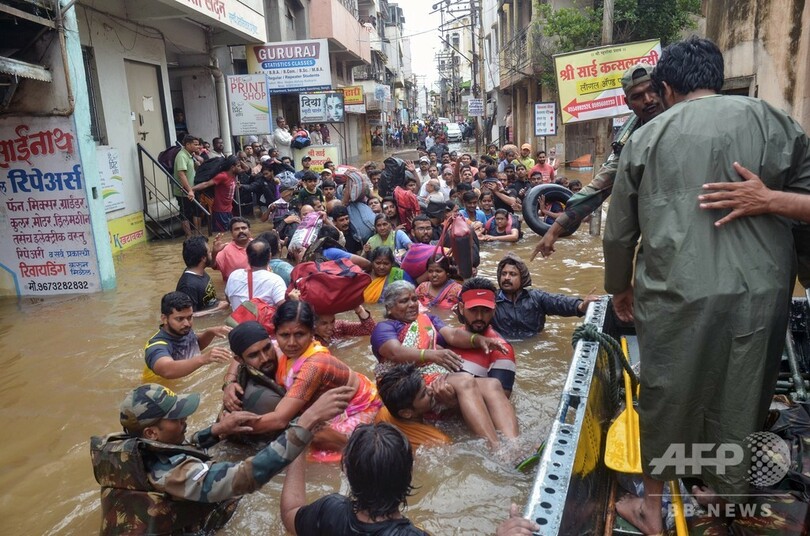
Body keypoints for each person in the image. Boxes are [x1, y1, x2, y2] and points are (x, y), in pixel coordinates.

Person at [603, 37, 810, 534]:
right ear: (715, 78)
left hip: (678, 289)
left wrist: (619, 287)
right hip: (763, 291)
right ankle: (722, 498)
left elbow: (619, 229)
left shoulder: (647, 137)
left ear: (667, 87)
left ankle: (651, 512)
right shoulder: (778, 122)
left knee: (667, 392)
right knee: (743, 392)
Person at [91, 382, 350, 535]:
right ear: (151, 432)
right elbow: (243, 477)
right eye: (176, 418)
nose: (184, 420)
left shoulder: (128, 450)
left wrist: (215, 431)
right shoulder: (173, 475)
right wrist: (305, 423)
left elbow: (170, 452)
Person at [533, 62, 665, 259]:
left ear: (664, 88)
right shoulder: (631, 140)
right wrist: (554, 231)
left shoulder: (688, 120)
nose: (648, 100)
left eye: (652, 90)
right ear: (627, 102)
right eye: (637, 96)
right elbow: (599, 186)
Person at [370, 281, 518, 448]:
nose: (412, 304)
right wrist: (432, 355)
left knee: (493, 384)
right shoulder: (384, 328)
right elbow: (394, 352)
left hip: (433, 374)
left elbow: (453, 335)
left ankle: (514, 445)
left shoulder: (427, 318)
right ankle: (497, 449)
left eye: (414, 299)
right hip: (407, 383)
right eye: (404, 301)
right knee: (464, 380)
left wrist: (479, 340)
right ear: (389, 307)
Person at [223, 302, 381, 453]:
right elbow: (242, 354)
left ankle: (352, 448)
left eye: (300, 334)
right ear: (275, 334)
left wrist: (230, 427)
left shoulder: (313, 366)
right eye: (284, 335)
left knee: (312, 437)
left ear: (313, 333)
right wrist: (229, 382)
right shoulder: (273, 346)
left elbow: (279, 420)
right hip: (327, 402)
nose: (291, 343)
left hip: (359, 406)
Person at [280, 423, 429, 535]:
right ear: (410, 471)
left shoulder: (329, 512)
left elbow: (290, 513)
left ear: (345, 469)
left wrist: (298, 444)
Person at [492, 254, 596, 340]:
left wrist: (581, 306)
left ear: (522, 278)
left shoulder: (535, 298)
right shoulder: (491, 300)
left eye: (512, 274)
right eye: (503, 274)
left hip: (533, 345)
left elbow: (559, 302)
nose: (506, 278)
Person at [143, 291, 232, 381]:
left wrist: (210, 333)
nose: (187, 323)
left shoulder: (181, 330)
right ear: (164, 319)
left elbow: (194, 344)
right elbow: (167, 370)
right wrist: (203, 359)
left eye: (189, 317)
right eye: (180, 319)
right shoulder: (157, 346)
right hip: (164, 390)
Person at [452, 277, 516, 396]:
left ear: (494, 310)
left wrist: (451, 401)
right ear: (461, 308)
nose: (480, 317)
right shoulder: (451, 338)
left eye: (486, 310)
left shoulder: (501, 350)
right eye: (473, 310)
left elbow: (499, 400)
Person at [373, 364, 452, 450]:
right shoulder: (438, 442)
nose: (431, 390)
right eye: (423, 394)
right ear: (406, 413)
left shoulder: (381, 413)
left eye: (426, 385)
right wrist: (453, 405)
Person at [224, 238, 287, 310]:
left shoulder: (233, 276)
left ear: (247, 257)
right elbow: (285, 310)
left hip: (238, 320)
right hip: (262, 321)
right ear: (269, 256)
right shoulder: (275, 280)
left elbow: (228, 299)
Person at [175, 235, 228, 316]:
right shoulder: (188, 285)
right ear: (203, 258)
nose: (211, 254)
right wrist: (218, 309)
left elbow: (209, 299)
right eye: (209, 252)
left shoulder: (200, 272)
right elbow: (188, 316)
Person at [193, 155, 240, 231]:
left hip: (229, 210)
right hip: (220, 212)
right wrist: (191, 189)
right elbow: (206, 184)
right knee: (222, 235)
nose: (240, 168)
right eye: (238, 166)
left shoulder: (233, 176)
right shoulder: (222, 176)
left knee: (229, 233)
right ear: (232, 167)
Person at [173, 135, 202, 237]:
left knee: (197, 211)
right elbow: (181, 174)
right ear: (187, 144)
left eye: (198, 144)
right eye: (195, 144)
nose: (198, 146)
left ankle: (198, 234)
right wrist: (189, 190)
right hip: (184, 191)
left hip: (193, 188)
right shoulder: (181, 156)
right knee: (185, 213)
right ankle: (189, 236)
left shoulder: (190, 155)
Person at [212, 217, 252, 283]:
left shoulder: (258, 246)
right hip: (235, 289)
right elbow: (213, 265)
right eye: (237, 229)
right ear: (231, 233)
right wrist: (214, 253)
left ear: (249, 230)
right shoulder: (225, 249)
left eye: (244, 228)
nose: (241, 231)